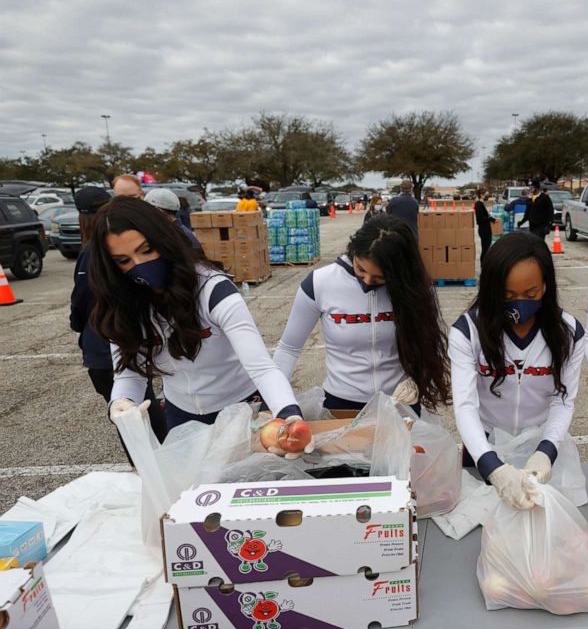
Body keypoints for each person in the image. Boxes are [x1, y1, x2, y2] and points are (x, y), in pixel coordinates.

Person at [87, 198, 307, 440]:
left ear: (164, 240)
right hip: (181, 415)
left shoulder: (213, 290)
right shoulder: (124, 304)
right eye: (123, 261)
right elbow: (129, 373)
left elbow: (262, 367)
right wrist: (121, 402)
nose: (139, 265)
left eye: (146, 250)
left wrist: (287, 413)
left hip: (244, 406)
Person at [449, 232, 585, 510]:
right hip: (484, 447)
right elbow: (465, 406)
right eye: (508, 295)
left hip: (539, 447)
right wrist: (491, 466)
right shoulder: (467, 332)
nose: (519, 304)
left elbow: (563, 400)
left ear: (546, 286)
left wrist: (546, 452)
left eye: (531, 293)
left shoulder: (569, 333)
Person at [273, 215, 450, 414]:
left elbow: (426, 340)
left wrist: (418, 379)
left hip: (399, 402)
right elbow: (289, 348)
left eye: (379, 278)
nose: (366, 281)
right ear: (354, 251)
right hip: (342, 404)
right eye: (361, 269)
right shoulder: (320, 283)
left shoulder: (410, 287)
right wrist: (275, 402)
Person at [69, 188, 163, 457]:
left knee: (146, 412)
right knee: (131, 416)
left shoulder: (93, 255)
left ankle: (155, 465)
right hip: (107, 351)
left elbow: (80, 301)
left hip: (111, 348)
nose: (135, 264)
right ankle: (146, 469)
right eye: (122, 261)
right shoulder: (95, 258)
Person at [474, 189, 495, 263]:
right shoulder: (479, 204)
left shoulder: (481, 203)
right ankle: (483, 265)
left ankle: (484, 264)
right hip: (484, 230)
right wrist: (490, 219)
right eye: (486, 194)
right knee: (485, 249)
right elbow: (479, 218)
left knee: (486, 248)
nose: (487, 196)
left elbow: (483, 216)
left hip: (485, 229)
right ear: (481, 195)